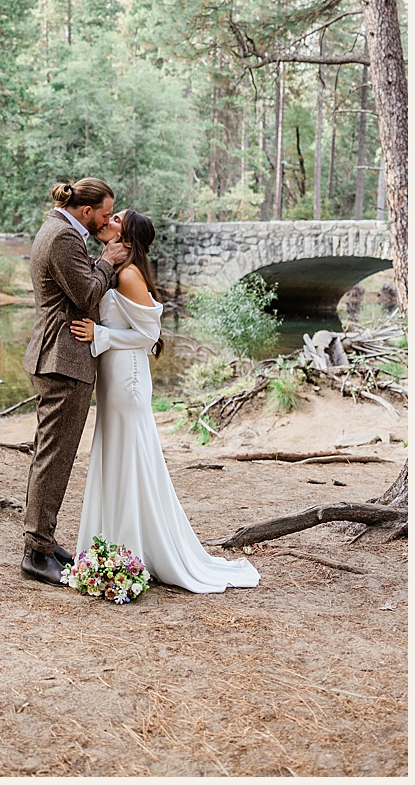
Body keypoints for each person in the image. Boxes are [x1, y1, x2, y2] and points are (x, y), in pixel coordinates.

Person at [68, 210, 261, 594]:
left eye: (116, 217)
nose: (109, 218)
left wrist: (100, 334)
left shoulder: (128, 275)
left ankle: (129, 553)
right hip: (111, 376)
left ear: (128, 235)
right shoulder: (111, 268)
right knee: (115, 455)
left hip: (127, 377)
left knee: (128, 457)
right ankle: (111, 549)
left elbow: (149, 334)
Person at [21, 178, 129, 586]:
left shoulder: (59, 230)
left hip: (60, 358)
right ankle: (36, 552)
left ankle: (43, 542)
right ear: (87, 212)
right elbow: (85, 295)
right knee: (53, 457)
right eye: (105, 213)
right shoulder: (64, 237)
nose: (107, 220)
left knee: (54, 455)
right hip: (62, 362)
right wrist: (107, 260)